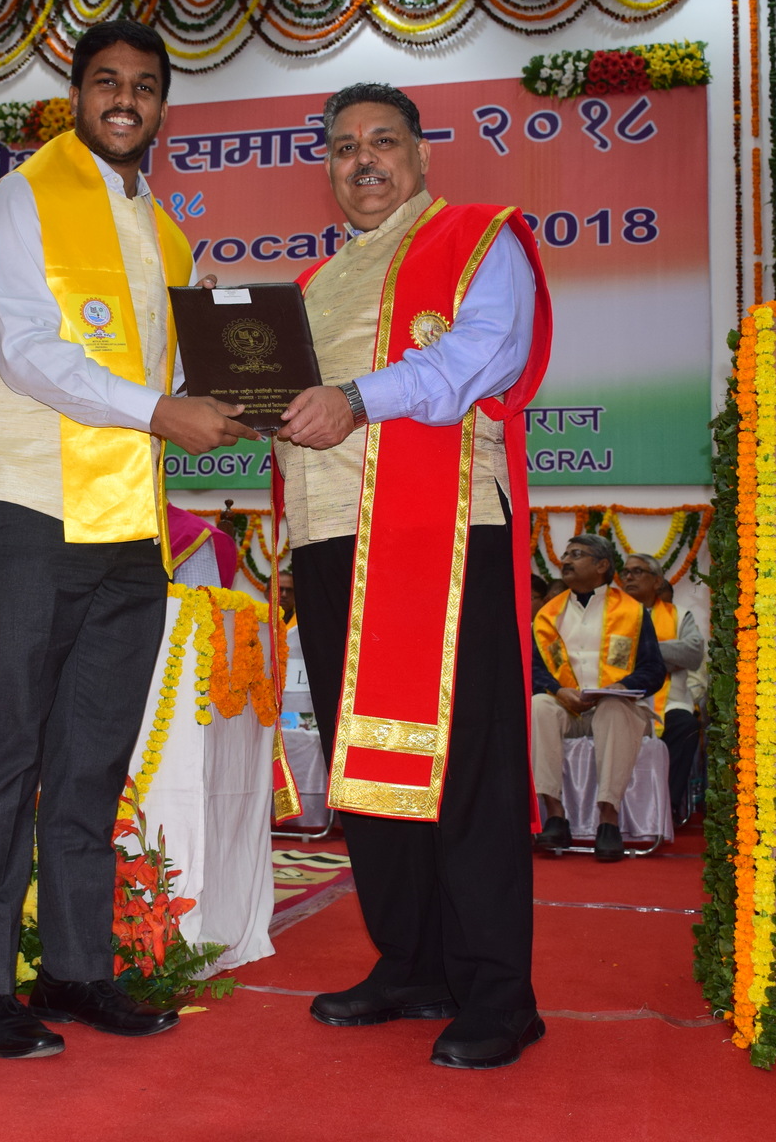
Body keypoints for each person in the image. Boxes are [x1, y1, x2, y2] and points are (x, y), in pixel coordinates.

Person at [0, 20, 255, 1060]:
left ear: (163, 105)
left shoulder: (166, 234)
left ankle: (76, 971)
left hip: (129, 525)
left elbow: (172, 373)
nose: (126, 99)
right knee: (10, 742)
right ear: (76, 94)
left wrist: (236, 395)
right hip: (25, 504)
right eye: (107, 82)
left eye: (146, 86)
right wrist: (164, 411)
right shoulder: (21, 197)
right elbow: (29, 353)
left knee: (90, 759)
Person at [274, 83, 551, 1069]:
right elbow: (295, 403)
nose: (363, 160)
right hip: (327, 536)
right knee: (365, 763)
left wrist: (353, 399)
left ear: (422, 154)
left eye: (382, 141)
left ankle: (498, 994)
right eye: (343, 146)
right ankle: (411, 962)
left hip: (441, 530)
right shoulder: (313, 284)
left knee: (467, 766)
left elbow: (482, 358)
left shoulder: (478, 240)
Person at [531, 534, 665, 861]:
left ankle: (609, 819)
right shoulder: (548, 614)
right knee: (538, 706)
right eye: (565, 554)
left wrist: (623, 686)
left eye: (576, 554)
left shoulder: (632, 611)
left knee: (613, 708)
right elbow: (534, 668)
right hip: (568, 707)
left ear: (602, 565)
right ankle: (555, 815)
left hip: (615, 706)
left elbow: (653, 669)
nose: (565, 560)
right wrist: (558, 690)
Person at [617, 553, 706, 823]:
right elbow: (608, 658)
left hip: (670, 703)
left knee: (686, 726)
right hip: (623, 698)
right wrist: (667, 657)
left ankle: (664, 808)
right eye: (625, 572)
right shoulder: (612, 615)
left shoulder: (678, 615)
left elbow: (692, 654)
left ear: (657, 581)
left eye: (637, 571)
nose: (629, 577)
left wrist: (643, 652)